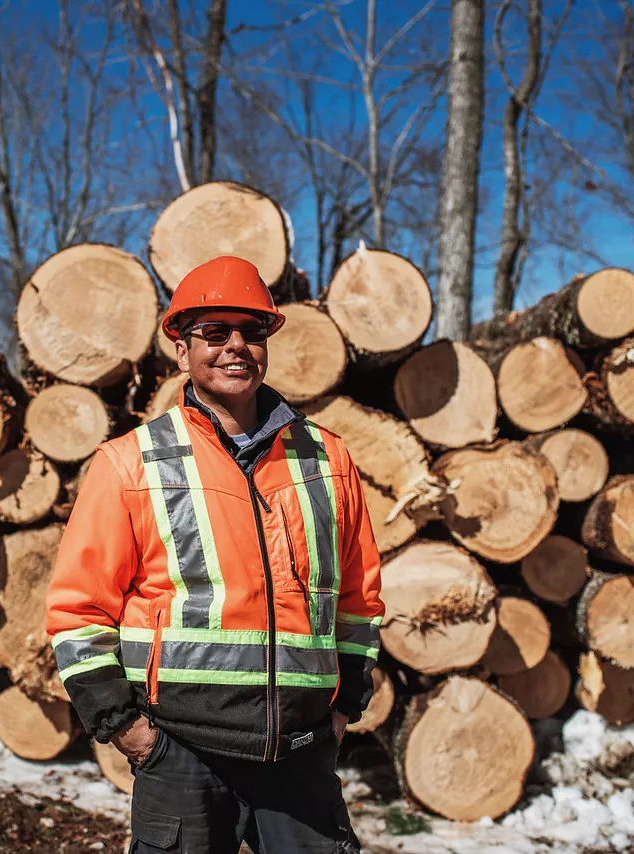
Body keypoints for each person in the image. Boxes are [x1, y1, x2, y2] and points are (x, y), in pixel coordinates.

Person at [45, 255, 384, 853]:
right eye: (213, 332)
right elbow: (77, 611)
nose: (235, 347)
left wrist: (344, 706)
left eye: (251, 332)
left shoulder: (326, 458)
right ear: (182, 350)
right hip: (182, 757)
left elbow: (358, 597)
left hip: (301, 751)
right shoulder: (131, 462)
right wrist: (125, 727)